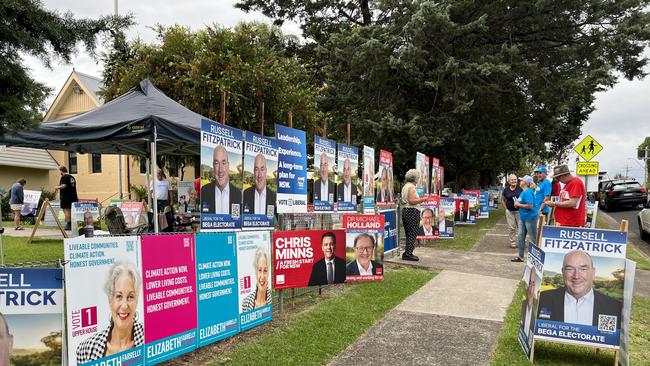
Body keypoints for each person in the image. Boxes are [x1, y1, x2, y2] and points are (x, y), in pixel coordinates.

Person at [76, 261, 144, 363]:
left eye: (130, 297)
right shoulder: (86, 350)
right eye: (119, 296)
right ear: (109, 299)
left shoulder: (149, 339)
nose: (124, 306)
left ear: (137, 300)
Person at [537, 250, 622, 328]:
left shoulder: (615, 307)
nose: (576, 276)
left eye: (583, 269)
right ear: (563, 272)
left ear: (593, 272)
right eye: (570, 269)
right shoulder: (541, 299)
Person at [201, 145, 242, 215]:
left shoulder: (238, 194)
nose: (220, 170)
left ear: (228, 166)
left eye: (223, 163)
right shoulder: (204, 191)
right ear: (213, 166)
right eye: (216, 163)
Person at [400, 169, 428, 261]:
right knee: (412, 233)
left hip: (406, 211)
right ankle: (408, 254)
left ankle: (407, 252)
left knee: (409, 233)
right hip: (412, 211)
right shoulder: (411, 187)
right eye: (418, 177)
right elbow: (412, 201)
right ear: (414, 178)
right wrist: (423, 199)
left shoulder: (405, 186)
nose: (418, 179)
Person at [512, 175, 538, 263]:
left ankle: (536, 258)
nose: (520, 181)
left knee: (533, 238)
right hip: (523, 217)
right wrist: (517, 203)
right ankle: (521, 256)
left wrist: (518, 205)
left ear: (526, 183)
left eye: (521, 180)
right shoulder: (523, 192)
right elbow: (521, 202)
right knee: (520, 237)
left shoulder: (528, 192)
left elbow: (530, 206)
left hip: (530, 217)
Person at [242, 246, 272, 311]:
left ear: (269, 272)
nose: (262, 276)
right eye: (260, 270)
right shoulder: (246, 303)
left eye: (265, 271)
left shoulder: (273, 300)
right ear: (256, 271)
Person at [502, 174, 523, 249]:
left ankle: (521, 242)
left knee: (521, 227)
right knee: (512, 228)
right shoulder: (506, 189)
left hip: (519, 211)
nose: (514, 181)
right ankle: (513, 242)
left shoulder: (520, 188)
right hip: (510, 211)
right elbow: (502, 200)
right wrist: (506, 208)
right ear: (509, 181)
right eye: (512, 180)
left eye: (515, 179)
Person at [55, 165, 78, 231]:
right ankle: (73, 224)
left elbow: (64, 186)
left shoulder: (64, 177)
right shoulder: (72, 177)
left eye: (59, 171)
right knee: (72, 210)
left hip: (66, 196)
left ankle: (69, 224)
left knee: (66, 210)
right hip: (73, 196)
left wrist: (57, 187)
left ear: (61, 171)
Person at [521, 267, 538, 343]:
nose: (531, 286)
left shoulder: (537, 305)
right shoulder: (523, 304)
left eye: (533, 283)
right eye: (530, 283)